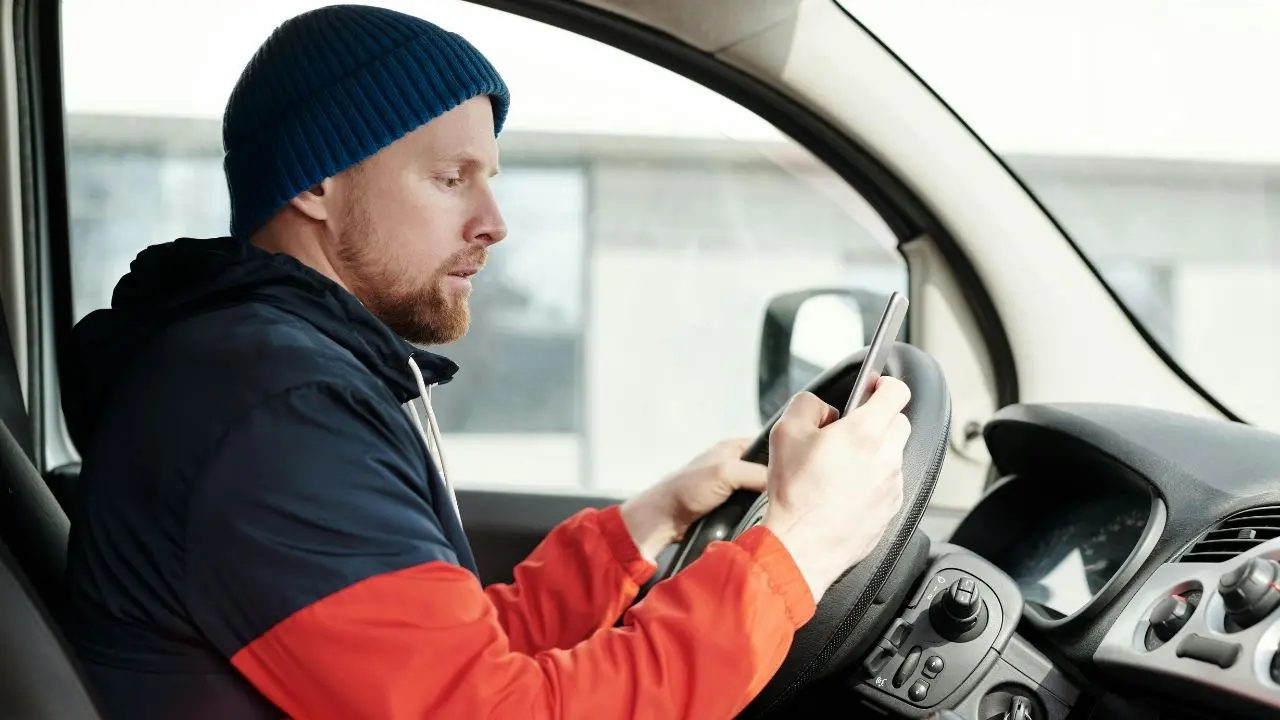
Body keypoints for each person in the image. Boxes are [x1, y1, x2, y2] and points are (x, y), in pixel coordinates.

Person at [60, 5, 912, 719]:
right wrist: (797, 547)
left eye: (490, 176)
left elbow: (440, 652)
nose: (495, 221)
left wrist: (649, 523)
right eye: (450, 177)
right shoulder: (273, 414)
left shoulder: (268, 372)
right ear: (317, 185)